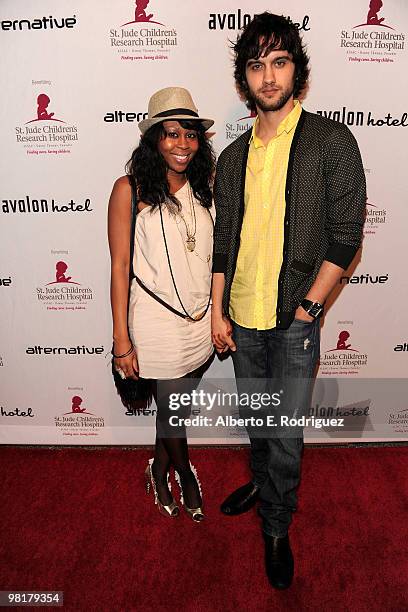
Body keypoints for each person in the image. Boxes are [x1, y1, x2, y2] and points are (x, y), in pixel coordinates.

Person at [211, 13, 366, 588]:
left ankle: (276, 525)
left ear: (296, 71)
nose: (268, 76)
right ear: (244, 80)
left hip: (295, 317)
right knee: (258, 418)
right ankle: (260, 480)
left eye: (279, 63)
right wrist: (218, 308)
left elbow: (346, 237)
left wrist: (310, 311)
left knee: (287, 430)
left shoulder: (331, 141)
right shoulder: (231, 158)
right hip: (243, 315)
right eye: (257, 65)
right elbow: (225, 238)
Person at [108, 87, 215, 522]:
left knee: (173, 408)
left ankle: (157, 467)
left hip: (197, 321)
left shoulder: (205, 190)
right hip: (153, 322)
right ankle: (183, 473)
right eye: (171, 134)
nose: (182, 144)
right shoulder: (129, 190)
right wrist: (121, 339)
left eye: (190, 135)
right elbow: (119, 267)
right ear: (154, 139)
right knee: (174, 408)